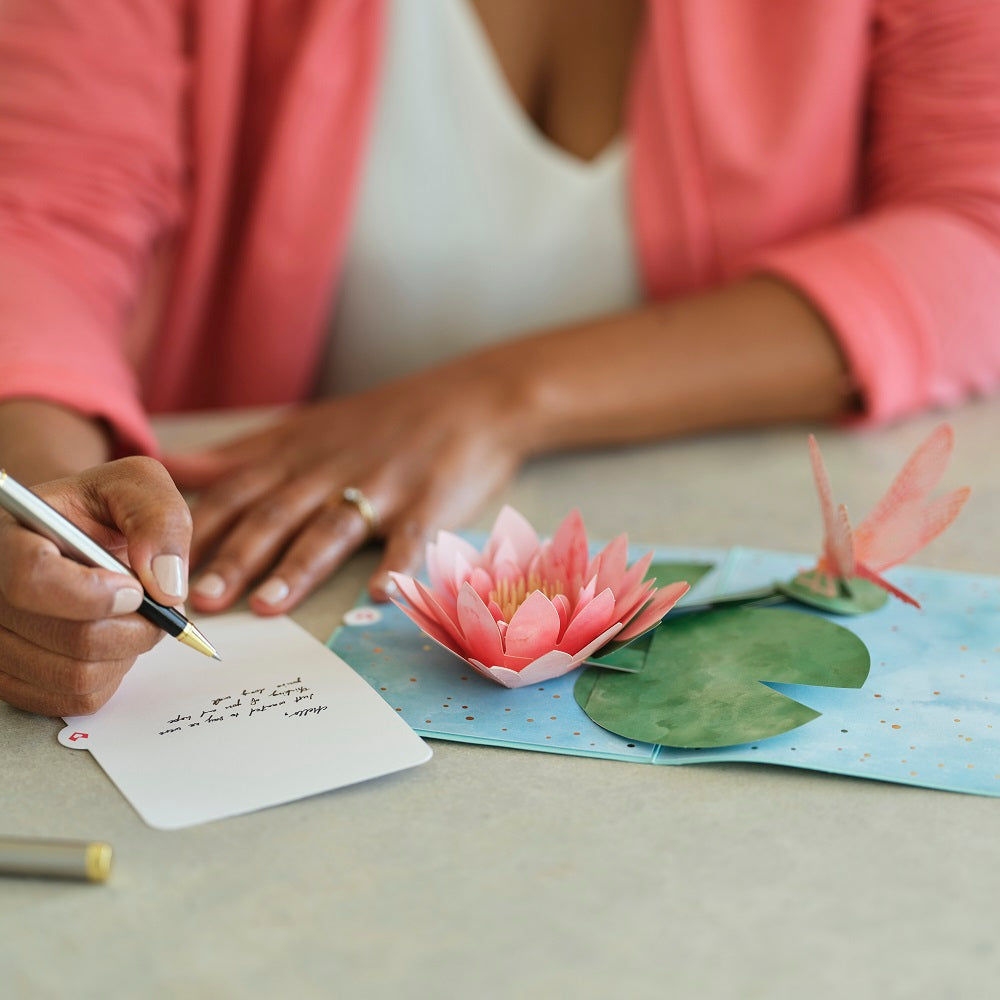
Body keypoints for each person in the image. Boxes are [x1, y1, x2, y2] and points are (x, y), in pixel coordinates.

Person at [0, 0, 998, 717]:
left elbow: (976, 227)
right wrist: (44, 486)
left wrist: (501, 398)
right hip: (247, 544)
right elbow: (32, 225)